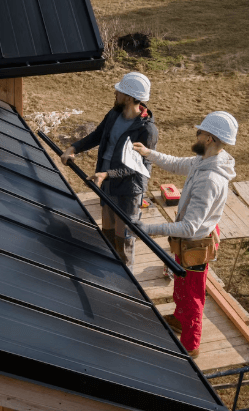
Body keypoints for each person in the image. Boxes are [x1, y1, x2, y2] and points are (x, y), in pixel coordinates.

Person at [132, 110, 238, 358]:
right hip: (189, 242)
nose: (196, 134)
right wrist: (149, 154)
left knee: (193, 297)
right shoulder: (206, 160)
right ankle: (179, 320)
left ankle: (191, 346)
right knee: (182, 284)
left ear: (209, 138)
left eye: (199, 132)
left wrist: (148, 229)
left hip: (195, 244)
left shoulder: (210, 179)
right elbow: (179, 163)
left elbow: (190, 227)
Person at [61, 72, 158, 268]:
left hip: (128, 192)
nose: (115, 92)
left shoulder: (147, 130)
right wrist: (74, 148)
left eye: (119, 91)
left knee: (124, 241)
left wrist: (107, 174)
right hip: (107, 185)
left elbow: (137, 167)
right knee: (107, 236)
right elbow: (98, 135)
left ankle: (127, 285)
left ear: (129, 97)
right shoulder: (114, 114)